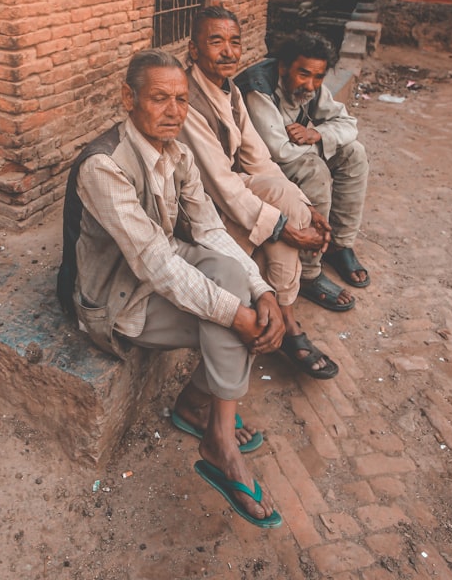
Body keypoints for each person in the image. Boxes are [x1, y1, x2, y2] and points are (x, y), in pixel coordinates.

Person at [57, 49, 285, 527]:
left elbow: (210, 231)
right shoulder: (104, 165)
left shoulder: (176, 152)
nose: (174, 111)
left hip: (161, 269)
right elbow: (154, 264)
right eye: (159, 98)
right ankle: (217, 438)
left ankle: (200, 411)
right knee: (229, 314)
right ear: (128, 98)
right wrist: (239, 312)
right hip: (117, 298)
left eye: (181, 99)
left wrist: (264, 292)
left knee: (234, 284)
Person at [179, 6, 341, 380]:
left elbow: (260, 160)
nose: (228, 52)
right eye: (216, 41)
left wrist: (306, 207)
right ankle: (288, 321)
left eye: (234, 42)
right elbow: (223, 187)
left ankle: (285, 317)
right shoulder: (187, 99)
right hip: (201, 211)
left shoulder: (230, 91)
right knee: (284, 220)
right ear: (193, 49)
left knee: (286, 196)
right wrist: (285, 228)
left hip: (232, 193)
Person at [244, 31, 371, 303]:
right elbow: (279, 150)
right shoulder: (259, 89)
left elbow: (349, 124)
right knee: (314, 170)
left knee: (354, 153)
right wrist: (317, 144)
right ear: (283, 67)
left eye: (318, 77)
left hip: (296, 153)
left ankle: (339, 244)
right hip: (263, 167)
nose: (311, 85)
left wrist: (318, 134)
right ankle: (309, 273)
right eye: (303, 74)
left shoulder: (312, 86)